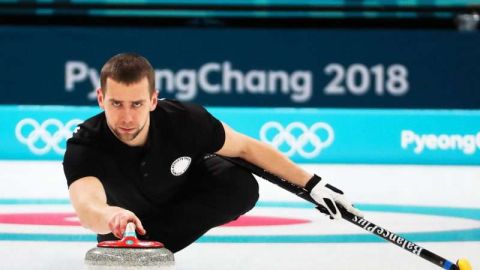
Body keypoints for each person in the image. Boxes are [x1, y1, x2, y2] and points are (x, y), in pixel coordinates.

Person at [63, 53, 362, 253]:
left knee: (240, 185)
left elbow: (246, 147)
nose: (127, 117)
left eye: (137, 104)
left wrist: (312, 183)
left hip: (180, 200)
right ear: (101, 98)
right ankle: (136, 241)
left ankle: (154, 243)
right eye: (116, 104)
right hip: (124, 223)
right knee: (117, 229)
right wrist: (111, 216)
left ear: (153, 100)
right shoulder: (86, 145)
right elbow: (87, 207)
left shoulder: (184, 119)